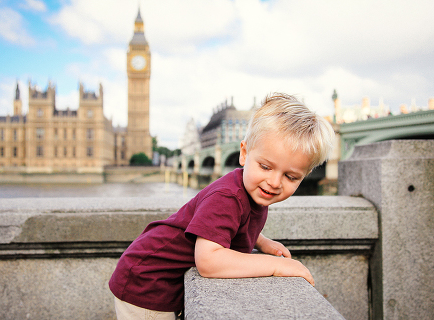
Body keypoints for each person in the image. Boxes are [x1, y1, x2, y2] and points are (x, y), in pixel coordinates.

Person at [109, 93, 335, 319]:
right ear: (244, 153)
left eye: (291, 177)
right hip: (146, 282)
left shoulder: (250, 188)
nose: (274, 182)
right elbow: (209, 261)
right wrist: (276, 266)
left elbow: (235, 222)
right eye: (266, 167)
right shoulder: (227, 196)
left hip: (156, 281)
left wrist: (261, 241)